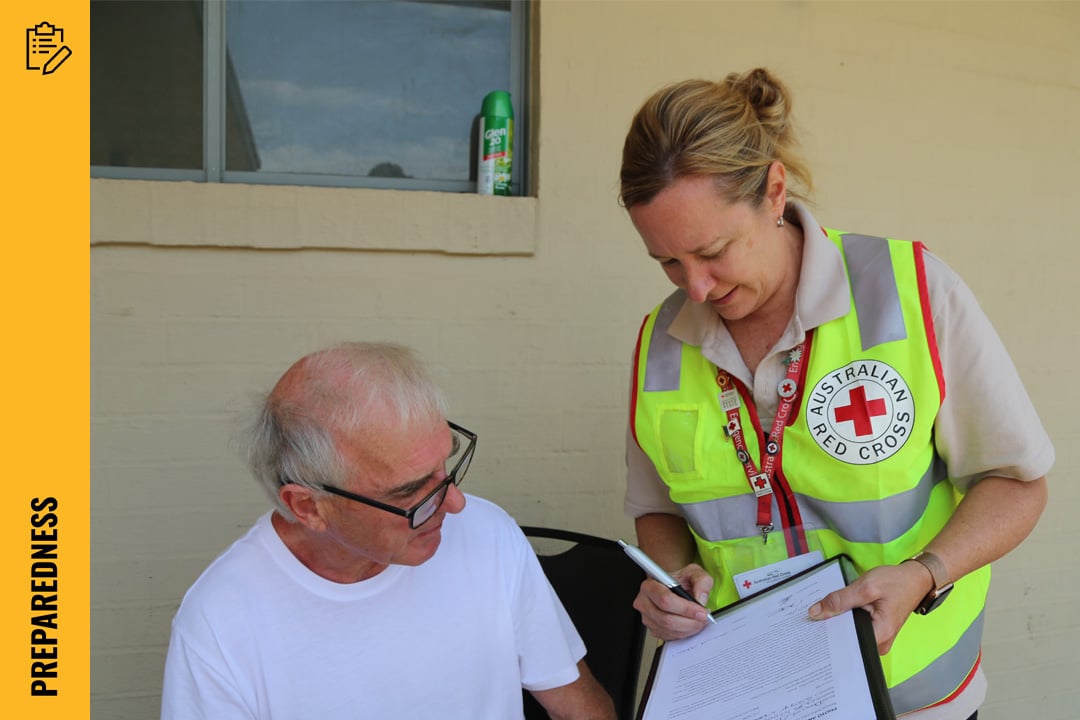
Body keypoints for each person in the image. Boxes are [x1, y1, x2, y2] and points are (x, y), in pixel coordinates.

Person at [619, 68, 1051, 720]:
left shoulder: (909, 291)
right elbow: (659, 513)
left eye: (714, 251)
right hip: (755, 699)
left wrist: (924, 575)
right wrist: (674, 579)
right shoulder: (659, 342)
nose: (697, 288)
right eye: (669, 262)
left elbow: (1017, 484)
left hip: (911, 699)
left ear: (773, 191)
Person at [161, 342, 615, 720]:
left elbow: (579, 708)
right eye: (412, 492)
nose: (455, 504)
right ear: (308, 506)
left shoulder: (487, 533)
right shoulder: (220, 621)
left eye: (446, 465)